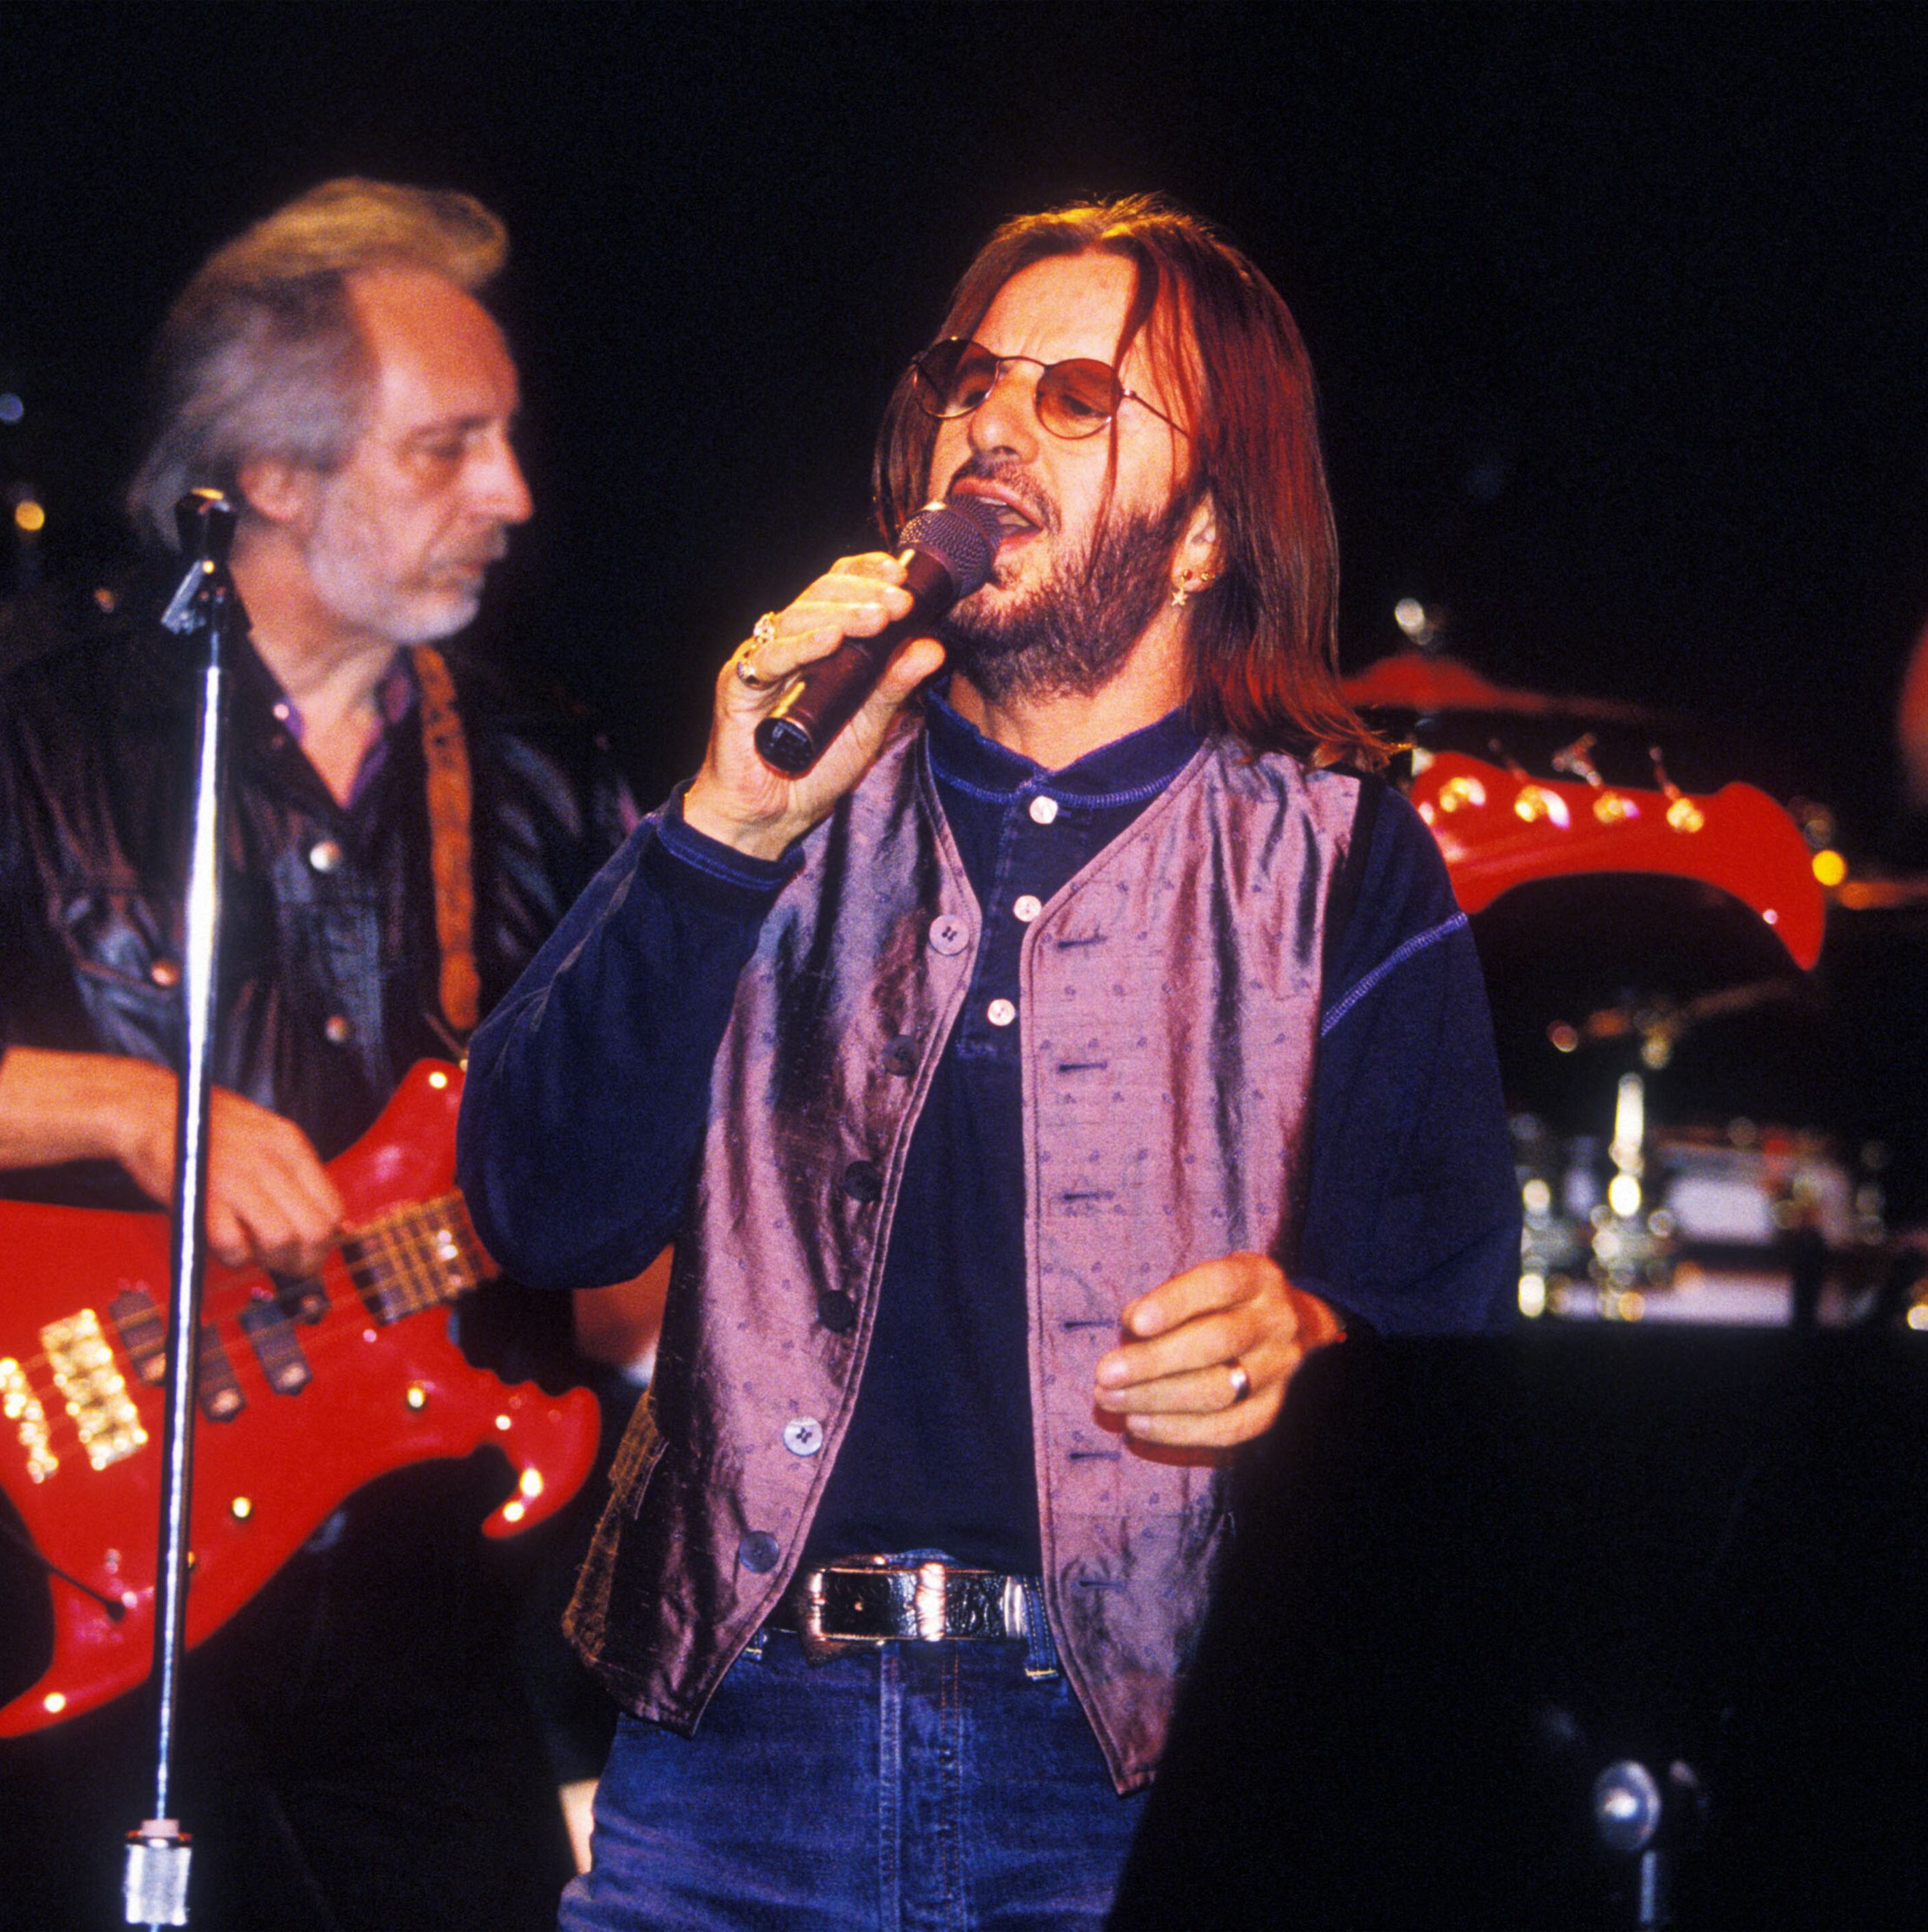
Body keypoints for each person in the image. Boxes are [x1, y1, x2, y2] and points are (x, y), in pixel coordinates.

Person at [458, 193, 1519, 1929]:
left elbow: (1448, 1317)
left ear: (1204, 535)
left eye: (1078, 397)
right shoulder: (783, 793)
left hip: (1135, 1771)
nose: (994, 426)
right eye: (973, 380)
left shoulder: (1333, 857)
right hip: (738, 1756)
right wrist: (721, 831)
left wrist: (1315, 1336)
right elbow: (542, 1207)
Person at [0, 179, 638, 1931]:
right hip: (73, 1554)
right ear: (271, 474)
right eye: (450, 446)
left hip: (428, 1589)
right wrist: (128, 1108)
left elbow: (648, 1132)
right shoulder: (11, 703)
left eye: (504, 438)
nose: (514, 493)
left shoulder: (543, 769)